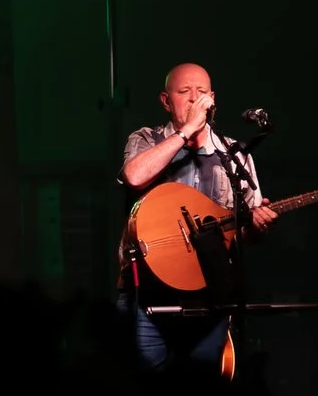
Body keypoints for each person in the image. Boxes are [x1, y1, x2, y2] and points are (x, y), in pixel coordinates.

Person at [116, 61, 279, 371]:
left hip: (208, 296)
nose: (194, 99)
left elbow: (240, 233)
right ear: (166, 101)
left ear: (213, 99)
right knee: (144, 387)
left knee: (202, 393)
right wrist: (186, 131)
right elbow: (134, 176)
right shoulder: (146, 139)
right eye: (184, 92)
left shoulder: (234, 154)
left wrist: (257, 228)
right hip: (147, 295)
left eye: (202, 92)